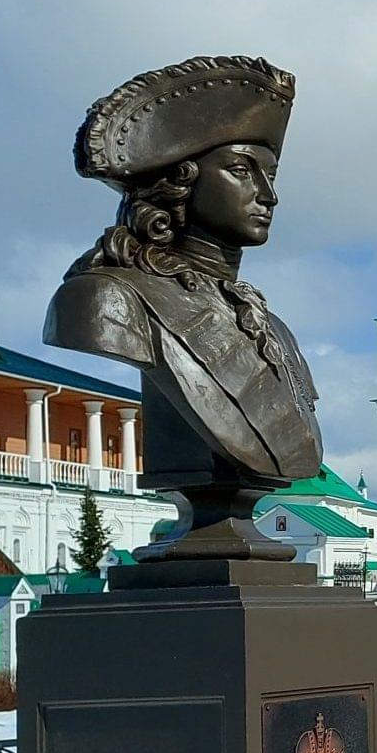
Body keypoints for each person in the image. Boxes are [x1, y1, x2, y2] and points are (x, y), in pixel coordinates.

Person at [49, 55, 320, 560]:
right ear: (182, 179)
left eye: (271, 174)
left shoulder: (272, 327)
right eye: (243, 170)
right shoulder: (108, 298)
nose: (269, 195)